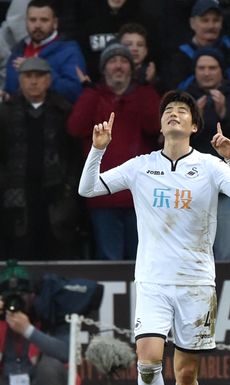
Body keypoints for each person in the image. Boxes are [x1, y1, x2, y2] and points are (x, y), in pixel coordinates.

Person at [78, 90, 230, 385]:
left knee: (186, 374)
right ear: (161, 125)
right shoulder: (141, 166)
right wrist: (98, 149)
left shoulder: (209, 166)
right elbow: (88, 189)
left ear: (194, 126)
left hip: (196, 284)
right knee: (147, 362)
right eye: (168, 111)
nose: (174, 114)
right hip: (153, 281)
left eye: (182, 111)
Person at [68, 42, 160, 260]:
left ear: (132, 68)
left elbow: (155, 126)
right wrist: (90, 92)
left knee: (143, 262)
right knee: (110, 261)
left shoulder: (144, 94)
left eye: (123, 61)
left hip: (139, 196)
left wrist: (146, 88)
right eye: (112, 61)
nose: (118, 66)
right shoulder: (93, 96)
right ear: (103, 69)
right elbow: (74, 128)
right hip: (103, 195)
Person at [0, 57, 82, 260]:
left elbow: (75, 155)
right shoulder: (3, 113)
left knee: (57, 254)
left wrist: (69, 188)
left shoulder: (63, 110)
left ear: (48, 80)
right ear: (20, 80)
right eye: (28, 76)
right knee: (21, 254)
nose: (33, 81)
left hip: (56, 197)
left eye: (39, 76)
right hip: (17, 198)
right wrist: (3, 186)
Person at [182, 47, 230, 260]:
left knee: (229, 252)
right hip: (191, 189)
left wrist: (224, 114)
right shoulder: (183, 100)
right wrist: (191, 120)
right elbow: (170, 141)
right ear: (194, 71)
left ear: (222, 71)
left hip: (228, 190)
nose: (207, 72)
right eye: (201, 68)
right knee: (191, 255)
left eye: (212, 68)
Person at [162, 0, 230, 98]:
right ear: (192, 23)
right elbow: (174, 92)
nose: (211, 26)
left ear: (221, 23)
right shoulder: (180, 56)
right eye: (205, 20)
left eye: (216, 20)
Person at [1, 0, 87, 104]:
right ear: (26, 22)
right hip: (19, 117)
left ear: (55, 23)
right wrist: (4, 96)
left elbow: (74, 92)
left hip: (56, 117)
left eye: (44, 20)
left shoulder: (69, 51)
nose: (37, 25)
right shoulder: (18, 51)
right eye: (32, 20)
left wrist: (39, 69)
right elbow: (11, 91)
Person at [118, 22, 159, 87]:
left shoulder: (155, 79)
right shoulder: (108, 76)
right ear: (118, 49)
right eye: (128, 44)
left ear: (146, 51)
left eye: (140, 45)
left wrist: (152, 81)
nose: (135, 49)